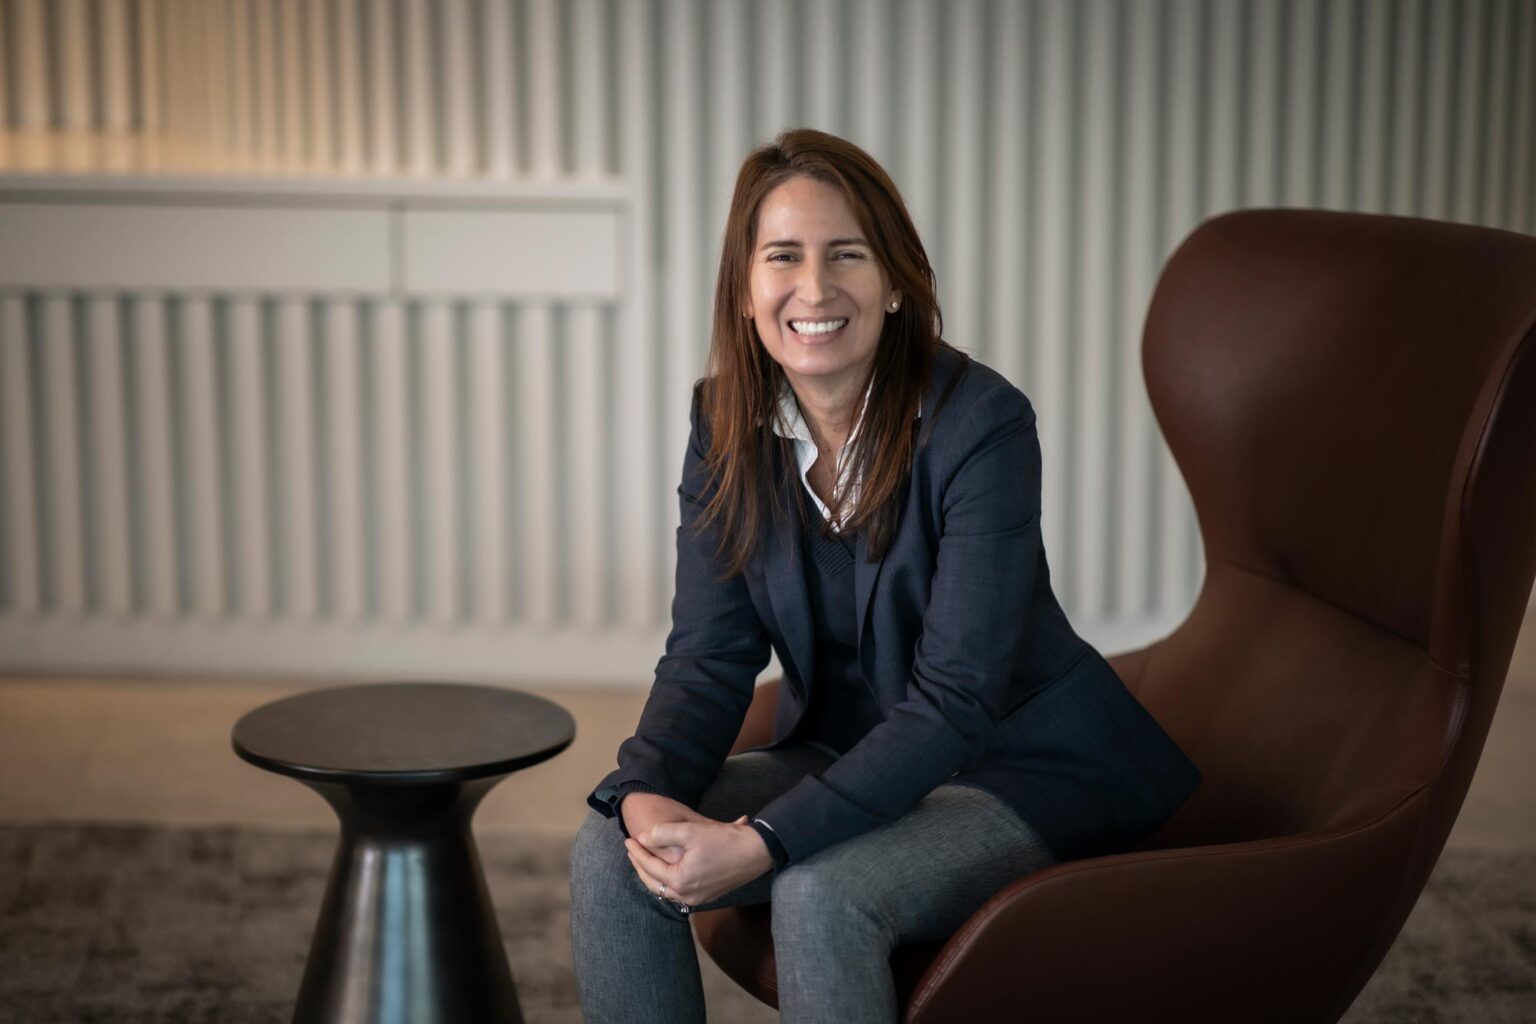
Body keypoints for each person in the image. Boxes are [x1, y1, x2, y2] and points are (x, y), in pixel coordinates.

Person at [569, 128, 1200, 1024]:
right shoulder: (725, 422)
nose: (814, 289)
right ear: (745, 291)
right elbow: (708, 654)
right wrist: (646, 793)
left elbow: (955, 700)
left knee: (822, 892)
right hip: (846, 743)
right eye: (783, 256)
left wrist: (764, 840)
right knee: (608, 850)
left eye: (847, 256)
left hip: (1016, 767)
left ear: (896, 282)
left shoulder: (983, 425)